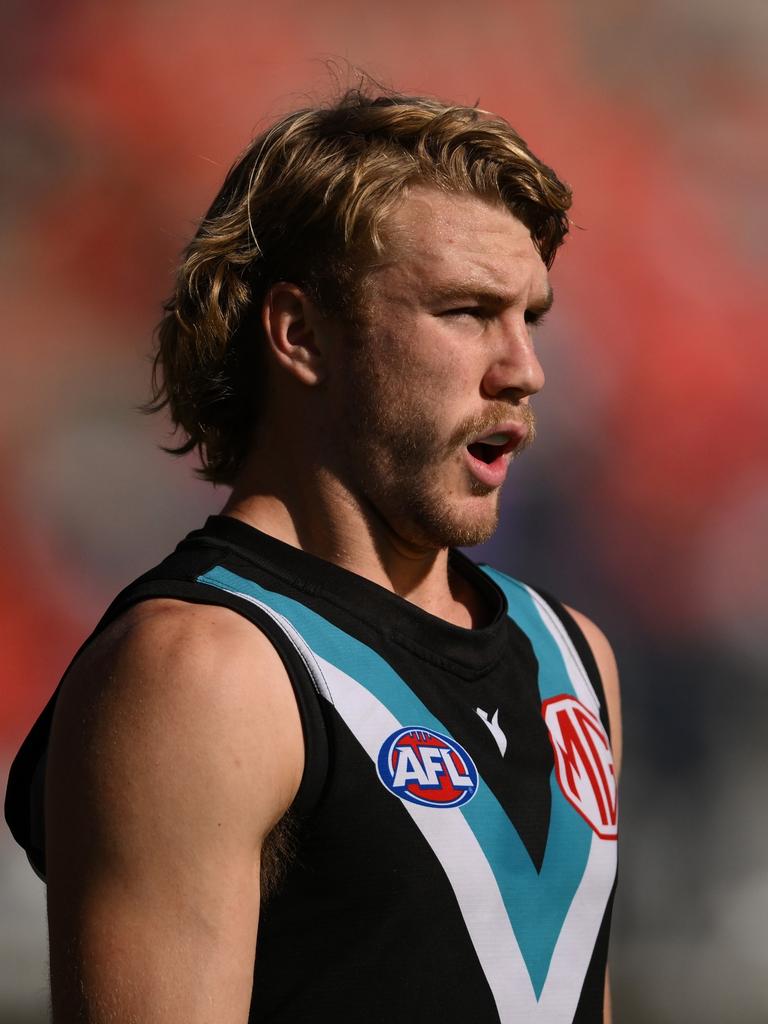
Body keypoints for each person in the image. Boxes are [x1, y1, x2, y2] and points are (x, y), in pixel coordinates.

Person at [6, 86, 621, 1023]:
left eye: (527, 317)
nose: (524, 368)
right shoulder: (202, 671)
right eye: (465, 311)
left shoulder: (570, 659)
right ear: (300, 334)